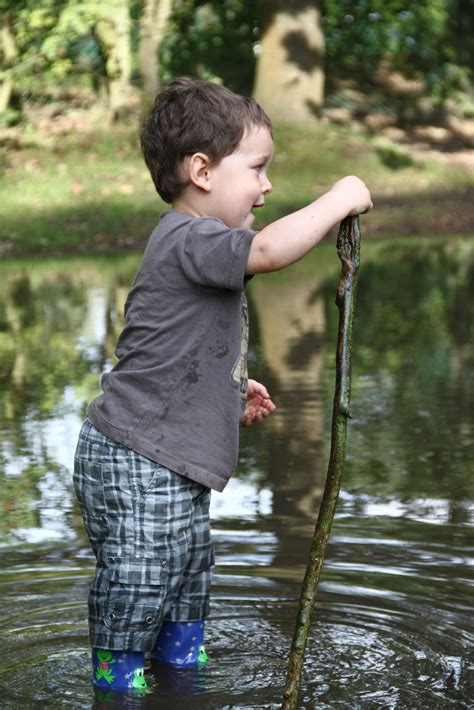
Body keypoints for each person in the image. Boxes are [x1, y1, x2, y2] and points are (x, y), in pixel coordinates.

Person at [73, 77, 372, 692]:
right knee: (139, 582)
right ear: (202, 170)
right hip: (137, 458)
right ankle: (116, 685)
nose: (266, 187)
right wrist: (339, 196)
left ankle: (183, 678)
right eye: (258, 169)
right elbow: (267, 250)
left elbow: (178, 345)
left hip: (172, 461)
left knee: (186, 580)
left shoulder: (198, 245)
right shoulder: (190, 237)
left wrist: (226, 387)